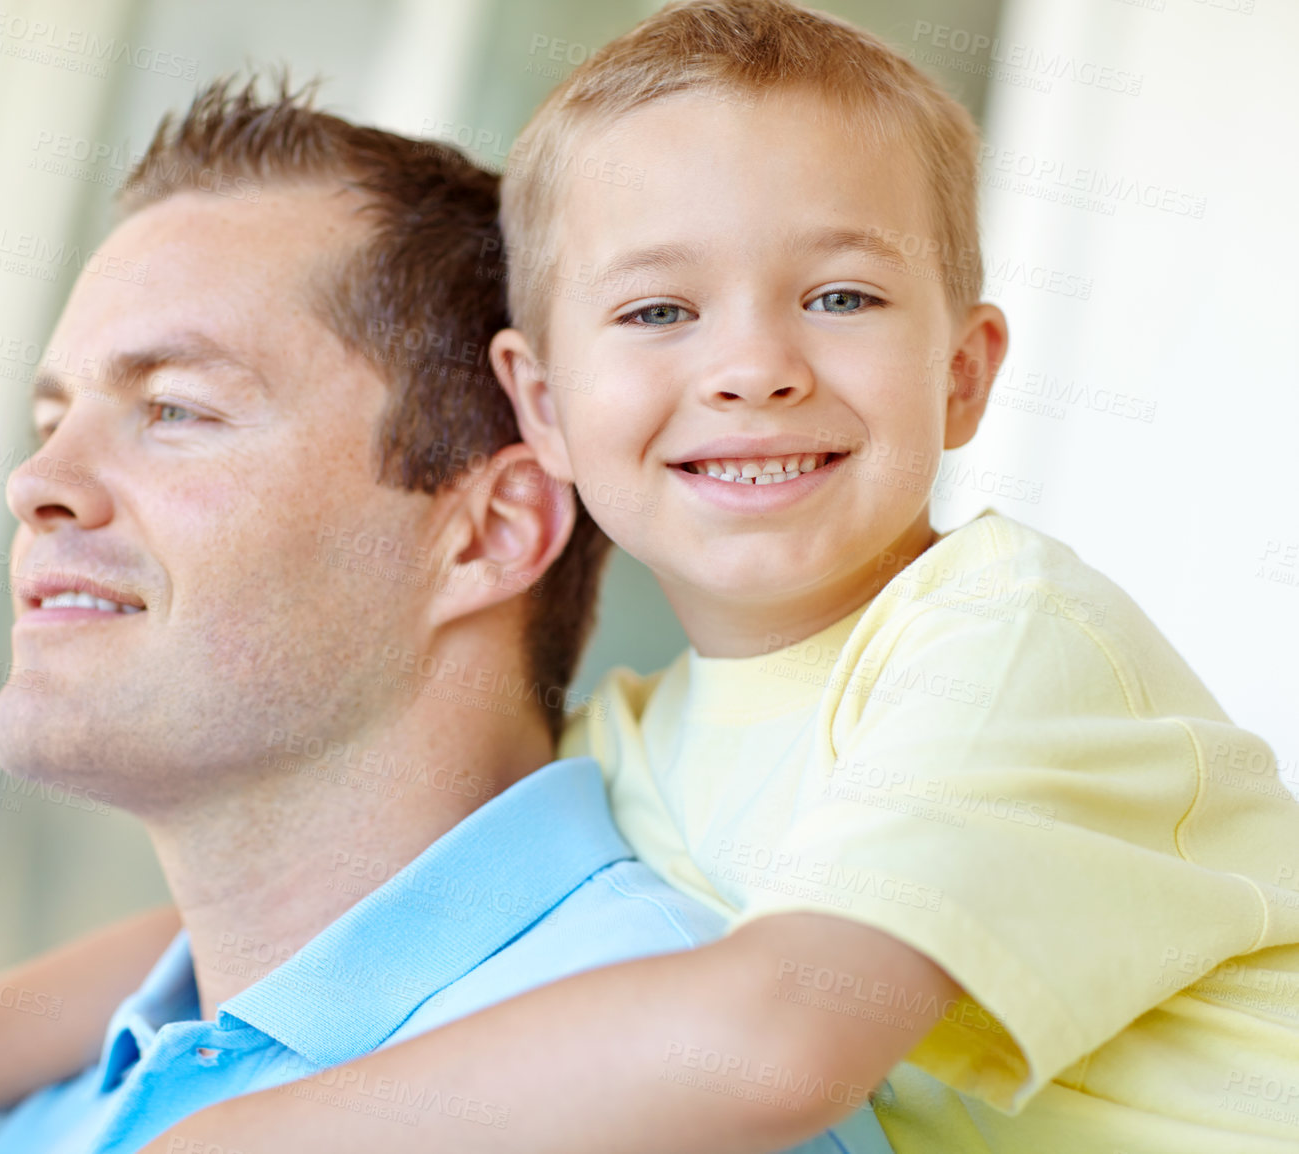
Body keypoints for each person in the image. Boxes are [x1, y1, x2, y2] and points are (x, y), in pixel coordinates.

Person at [127, 2, 1297, 1151]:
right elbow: (292, 938)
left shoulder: (1008, 644)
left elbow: (773, 1043)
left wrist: (234, 1138)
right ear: (543, 404)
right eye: (658, 309)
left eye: (840, 295)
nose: (751, 367)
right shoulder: (635, 746)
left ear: (960, 371)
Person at [0, 76, 891, 1154]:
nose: (37, 481)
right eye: (50, 415)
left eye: (174, 408)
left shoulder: (673, 1109)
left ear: (488, 531)